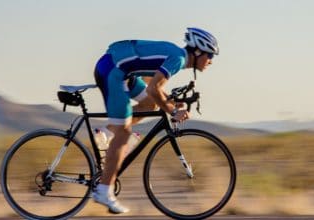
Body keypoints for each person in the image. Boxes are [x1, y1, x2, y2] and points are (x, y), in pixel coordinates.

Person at [93, 27, 219, 213]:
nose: (210, 61)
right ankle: (104, 191)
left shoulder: (176, 55)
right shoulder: (179, 59)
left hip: (121, 69)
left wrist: (171, 102)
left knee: (150, 104)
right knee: (124, 133)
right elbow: (154, 88)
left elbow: (152, 86)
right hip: (114, 71)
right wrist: (172, 110)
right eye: (210, 56)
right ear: (198, 52)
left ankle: (106, 133)